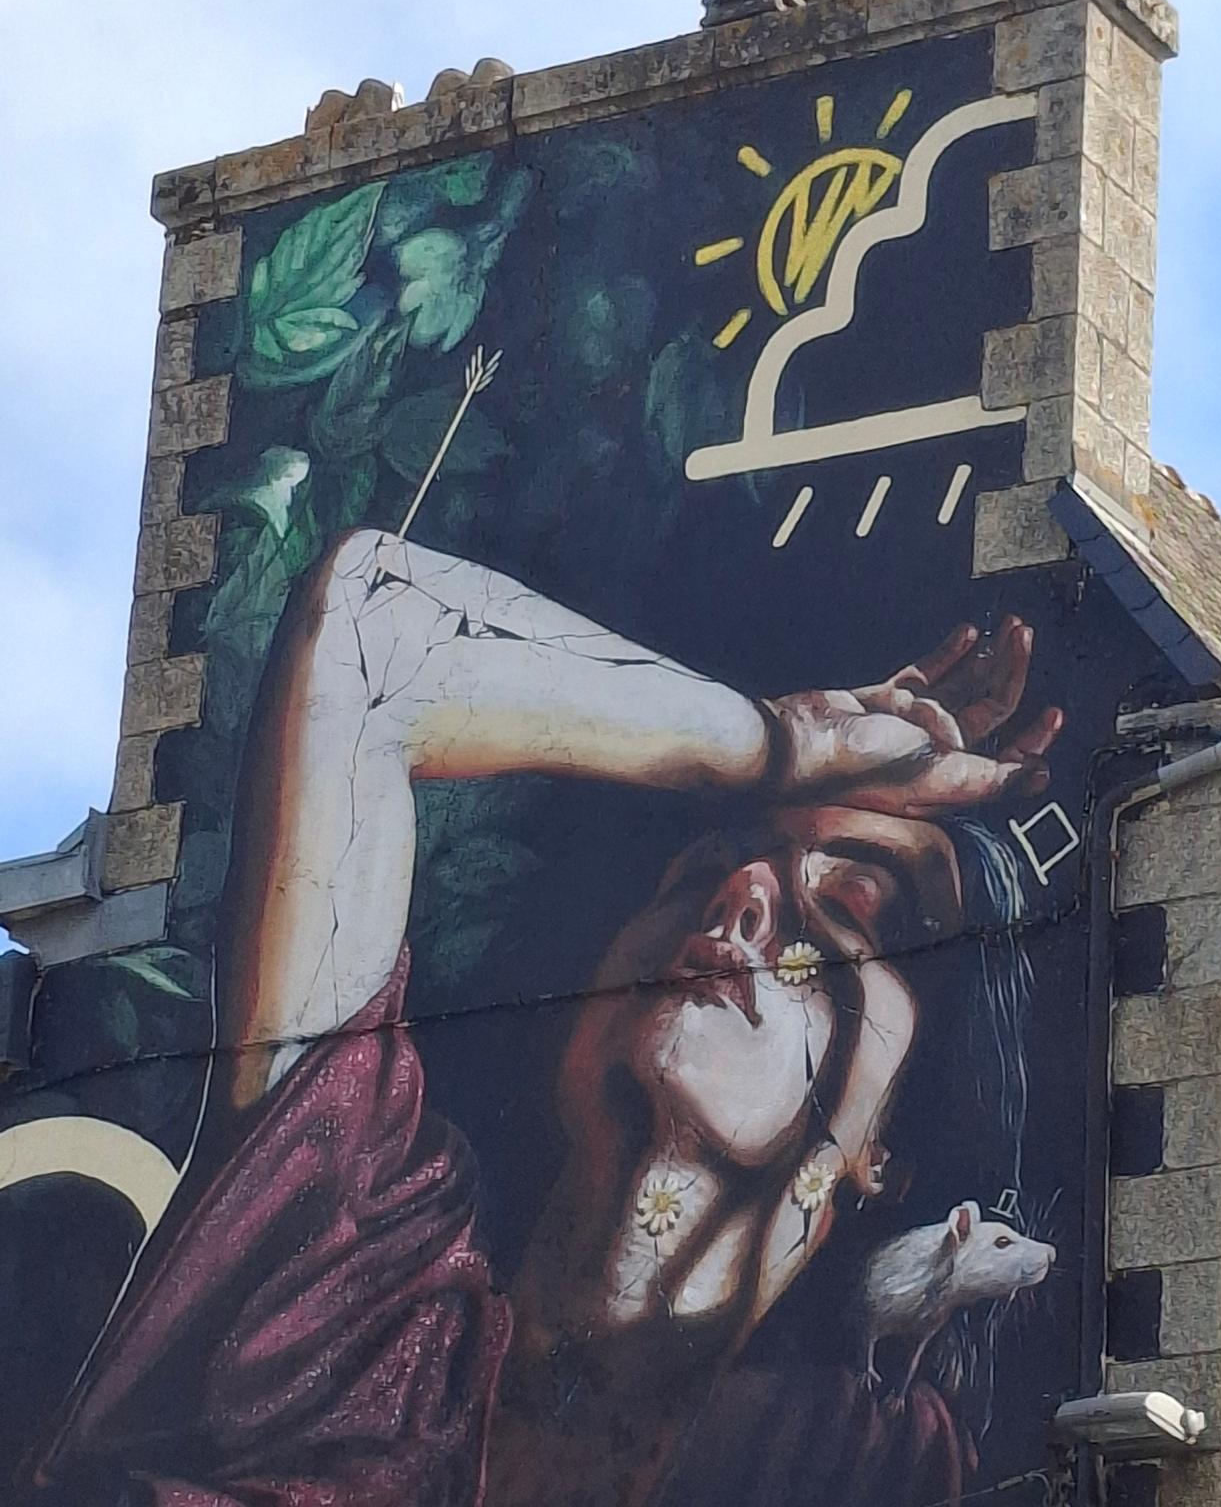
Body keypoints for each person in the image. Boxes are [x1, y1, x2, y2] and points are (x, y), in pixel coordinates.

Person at [25, 528, 1060, 1507]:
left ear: (890, 1149)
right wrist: (783, 742)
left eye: (860, 905)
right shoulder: (347, 1281)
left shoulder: (854, 1463)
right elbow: (371, 628)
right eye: (705, 866)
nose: (743, 888)